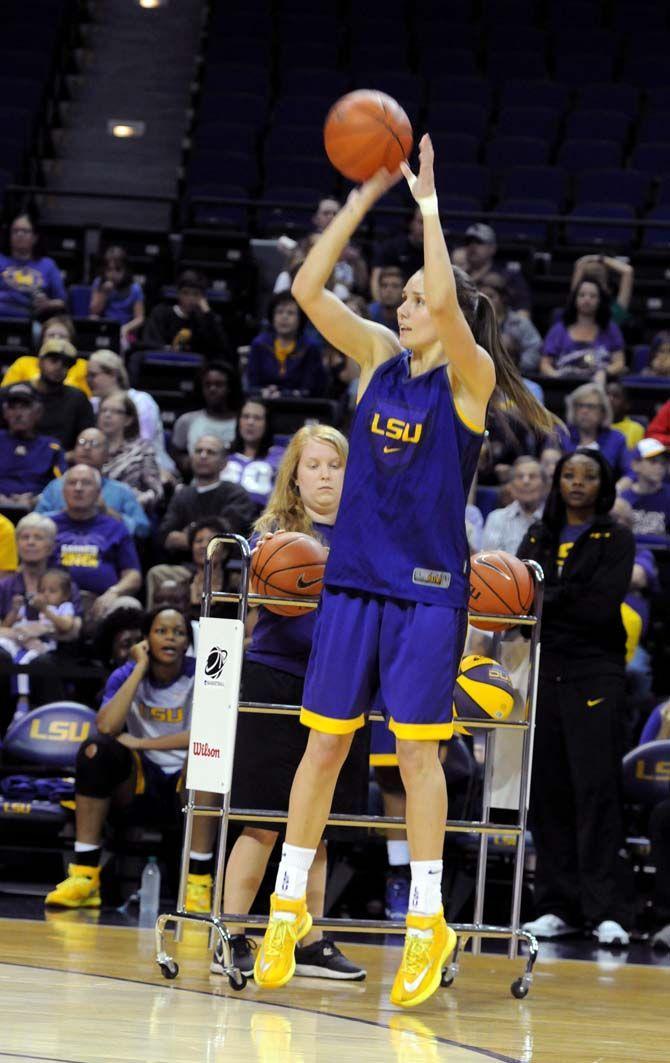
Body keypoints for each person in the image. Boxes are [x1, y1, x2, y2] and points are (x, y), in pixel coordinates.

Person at [251, 136, 555, 1007]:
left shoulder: (470, 377)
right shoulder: (380, 359)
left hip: (426, 597)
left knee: (417, 759)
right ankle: (285, 908)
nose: (412, 303)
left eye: (425, 297)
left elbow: (452, 307)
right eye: (409, 296)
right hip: (352, 588)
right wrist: (360, 198)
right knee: (323, 748)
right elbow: (308, 290)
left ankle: (428, 920)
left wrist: (426, 208)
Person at [211, 424, 367, 982]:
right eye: (314, 466)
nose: (325, 475)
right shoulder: (274, 535)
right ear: (294, 477)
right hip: (277, 679)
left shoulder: (369, 532)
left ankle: (311, 939)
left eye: (335, 465)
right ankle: (233, 932)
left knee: (316, 824)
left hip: (343, 684)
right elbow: (253, 613)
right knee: (261, 820)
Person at [519, 450, 635, 946]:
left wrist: (551, 597)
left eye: (588, 476)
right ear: (557, 482)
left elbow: (599, 606)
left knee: (596, 790)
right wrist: (557, 597)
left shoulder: (617, 536)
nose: (578, 483)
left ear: (603, 484)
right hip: (546, 671)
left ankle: (606, 909)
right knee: (549, 791)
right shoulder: (539, 535)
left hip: (596, 673)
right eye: (569, 475)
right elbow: (520, 598)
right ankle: (555, 904)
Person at [44, 607, 216, 913]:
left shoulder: (205, 673)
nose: (170, 638)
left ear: (188, 643)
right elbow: (107, 727)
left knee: (209, 756)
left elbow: (209, 732)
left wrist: (141, 741)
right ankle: (85, 877)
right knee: (94, 750)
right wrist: (139, 668)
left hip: (185, 780)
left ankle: (198, 884)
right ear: (147, 639)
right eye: (161, 631)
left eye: (178, 632)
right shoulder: (126, 673)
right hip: (141, 778)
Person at [51, 465, 142, 619]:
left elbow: (133, 574)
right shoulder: (48, 526)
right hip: (53, 603)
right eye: (72, 483)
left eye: (86, 483)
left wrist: (114, 592)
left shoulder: (116, 527)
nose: (78, 488)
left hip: (102, 602)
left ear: (99, 492)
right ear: (63, 491)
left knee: (129, 606)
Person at [35, 427, 151, 539]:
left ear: (106, 456)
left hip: (105, 550)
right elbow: (35, 523)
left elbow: (143, 529)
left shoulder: (121, 491)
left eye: (94, 444)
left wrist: (108, 512)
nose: (86, 447)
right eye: (82, 442)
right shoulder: (56, 487)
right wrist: (67, 513)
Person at [159, 435, 256, 558]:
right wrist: (206, 536)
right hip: (184, 567)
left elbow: (225, 537)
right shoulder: (182, 495)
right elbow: (165, 538)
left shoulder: (236, 494)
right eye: (199, 451)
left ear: (224, 463)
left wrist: (190, 534)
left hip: (225, 570)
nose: (203, 456)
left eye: (211, 452)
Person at [0, 568, 77, 720]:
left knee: (24, 663)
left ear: (66, 595)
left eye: (52, 591)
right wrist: (15, 610)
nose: (46, 594)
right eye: (42, 590)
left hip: (43, 646)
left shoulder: (64, 607)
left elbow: (66, 626)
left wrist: (45, 609)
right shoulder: (32, 606)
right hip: (20, 641)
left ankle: (23, 699)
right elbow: (8, 625)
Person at [86, 349, 176, 478]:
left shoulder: (141, 401)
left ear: (112, 374)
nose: (88, 380)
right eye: (87, 375)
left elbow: (143, 443)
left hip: (148, 468)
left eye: (93, 375)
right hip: (106, 469)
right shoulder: (92, 404)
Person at [540, 279, 626, 378]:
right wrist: (557, 376)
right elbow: (545, 364)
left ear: (600, 300)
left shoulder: (611, 329)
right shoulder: (558, 330)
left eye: (593, 296)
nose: (587, 299)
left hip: (600, 385)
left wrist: (604, 373)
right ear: (575, 299)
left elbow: (619, 363)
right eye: (582, 295)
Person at [246, 292, 327, 398]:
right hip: (264, 402)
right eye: (279, 312)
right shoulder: (259, 345)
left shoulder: (310, 348)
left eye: (290, 313)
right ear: (272, 317)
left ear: (300, 319)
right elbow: (251, 385)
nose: (284, 317)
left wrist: (284, 394)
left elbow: (311, 389)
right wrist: (263, 392)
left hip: (300, 407)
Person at [0, 382, 67, 508]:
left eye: (25, 406)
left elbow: (62, 485)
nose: (18, 414)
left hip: (37, 511)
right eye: (12, 407)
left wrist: (37, 499)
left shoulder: (51, 447)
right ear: (5, 413)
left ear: (38, 412)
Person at [170, 362, 242, 476]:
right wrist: (186, 462)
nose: (212, 389)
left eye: (219, 384)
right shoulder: (187, 420)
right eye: (207, 385)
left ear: (229, 388)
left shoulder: (243, 422)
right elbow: (175, 452)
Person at [97, 392, 163, 511]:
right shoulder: (89, 446)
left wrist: (128, 505)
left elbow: (156, 492)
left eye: (116, 411)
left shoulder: (142, 450)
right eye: (103, 410)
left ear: (128, 419)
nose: (107, 415)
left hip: (129, 514)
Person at [141, 269, 229, 356]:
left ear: (202, 297)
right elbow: (149, 342)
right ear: (178, 294)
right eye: (185, 293)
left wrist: (207, 313)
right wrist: (168, 349)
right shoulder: (161, 312)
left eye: (196, 294)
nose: (190, 299)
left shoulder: (204, 319)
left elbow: (220, 346)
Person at [452, 223, 531, 314]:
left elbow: (524, 311)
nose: (472, 246)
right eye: (468, 242)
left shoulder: (508, 276)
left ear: (492, 248)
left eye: (479, 242)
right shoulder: (459, 275)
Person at [220, 399, 284, 512]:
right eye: (245, 416)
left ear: (267, 424)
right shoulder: (223, 454)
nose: (250, 422)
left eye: (257, 418)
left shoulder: (280, 456)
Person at [1, 315, 89, 395]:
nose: (56, 339)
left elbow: (88, 398)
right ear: (42, 339)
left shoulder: (82, 366)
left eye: (62, 336)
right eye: (51, 335)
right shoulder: (23, 363)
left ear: (71, 341)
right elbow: (5, 394)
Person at [0, 212, 66, 319]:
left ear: (35, 237)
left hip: (33, 321)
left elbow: (62, 302)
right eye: (15, 231)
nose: (19, 234)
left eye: (25, 231)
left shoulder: (48, 265)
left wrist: (48, 304)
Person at [32, 339, 95, 451]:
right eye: (53, 360)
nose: (59, 367)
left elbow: (87, 438)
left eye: (66, 363)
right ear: (40, 362)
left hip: (63, 462)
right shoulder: (17, 393)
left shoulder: (78, 399)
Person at [560, 382, 628, 480]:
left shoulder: (616, 439)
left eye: (591, 406)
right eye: (580, 405)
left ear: (603, 412)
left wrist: (616, 490)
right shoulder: (561, 435)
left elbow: (630, 474)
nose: (584, 411)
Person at [479, 272, 542, 376]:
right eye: (482, 297)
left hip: (517, 375)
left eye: (491, 296)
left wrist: (515, 366)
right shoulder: (474, 322)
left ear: (503, 298)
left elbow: (534, 350)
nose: (486, 301)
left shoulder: (520, 323)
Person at [481, 456, 548, 554]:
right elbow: (489, 563)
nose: (526, 481)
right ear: (511, 487)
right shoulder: (496, 518)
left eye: (532, 476)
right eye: (520, 476)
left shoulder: (554, 518)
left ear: (545, 486)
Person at [89, 246, 145, 348]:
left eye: (118, 269)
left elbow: (140, 318)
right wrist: (104, 293)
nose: (113, 274)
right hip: (104, 328)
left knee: (122, 343)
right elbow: (94, 311)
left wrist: (125, 328)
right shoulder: (99, 283)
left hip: (125, 331)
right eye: (109, 269)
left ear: (126, 269)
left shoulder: (135, 289)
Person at [620, 439, 670, 542]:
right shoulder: (622, 500)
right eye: (653, 462)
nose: (660, 467)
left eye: (663, 463)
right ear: (635, 465)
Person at [370, 206, 424, 302]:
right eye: (421, 222)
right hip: (392, 303)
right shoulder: (393, 247)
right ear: (411, 224)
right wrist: (380, 305)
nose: (425, 228)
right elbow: (376, 278)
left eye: (430, 224)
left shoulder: (441, 253)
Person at [570, 254, 634, 326]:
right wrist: (598, 258)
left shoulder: (615, 310)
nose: (596, 270)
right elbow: (579, 265)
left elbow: (628, 271)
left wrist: (598, 258)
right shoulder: (579, 303)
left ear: (608, 289)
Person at [606, 382, 644, 452]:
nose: (610, 399)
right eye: (606, 395)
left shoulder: (636, 429)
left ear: (627, 404)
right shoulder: (593, 426)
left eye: (616, 396)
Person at [367, 266, 404, 333]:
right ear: (379, 289)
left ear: (403, 291)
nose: (388, 290)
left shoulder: (410, 316)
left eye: (395, 286)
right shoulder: (370, 313)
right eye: (384, 285)